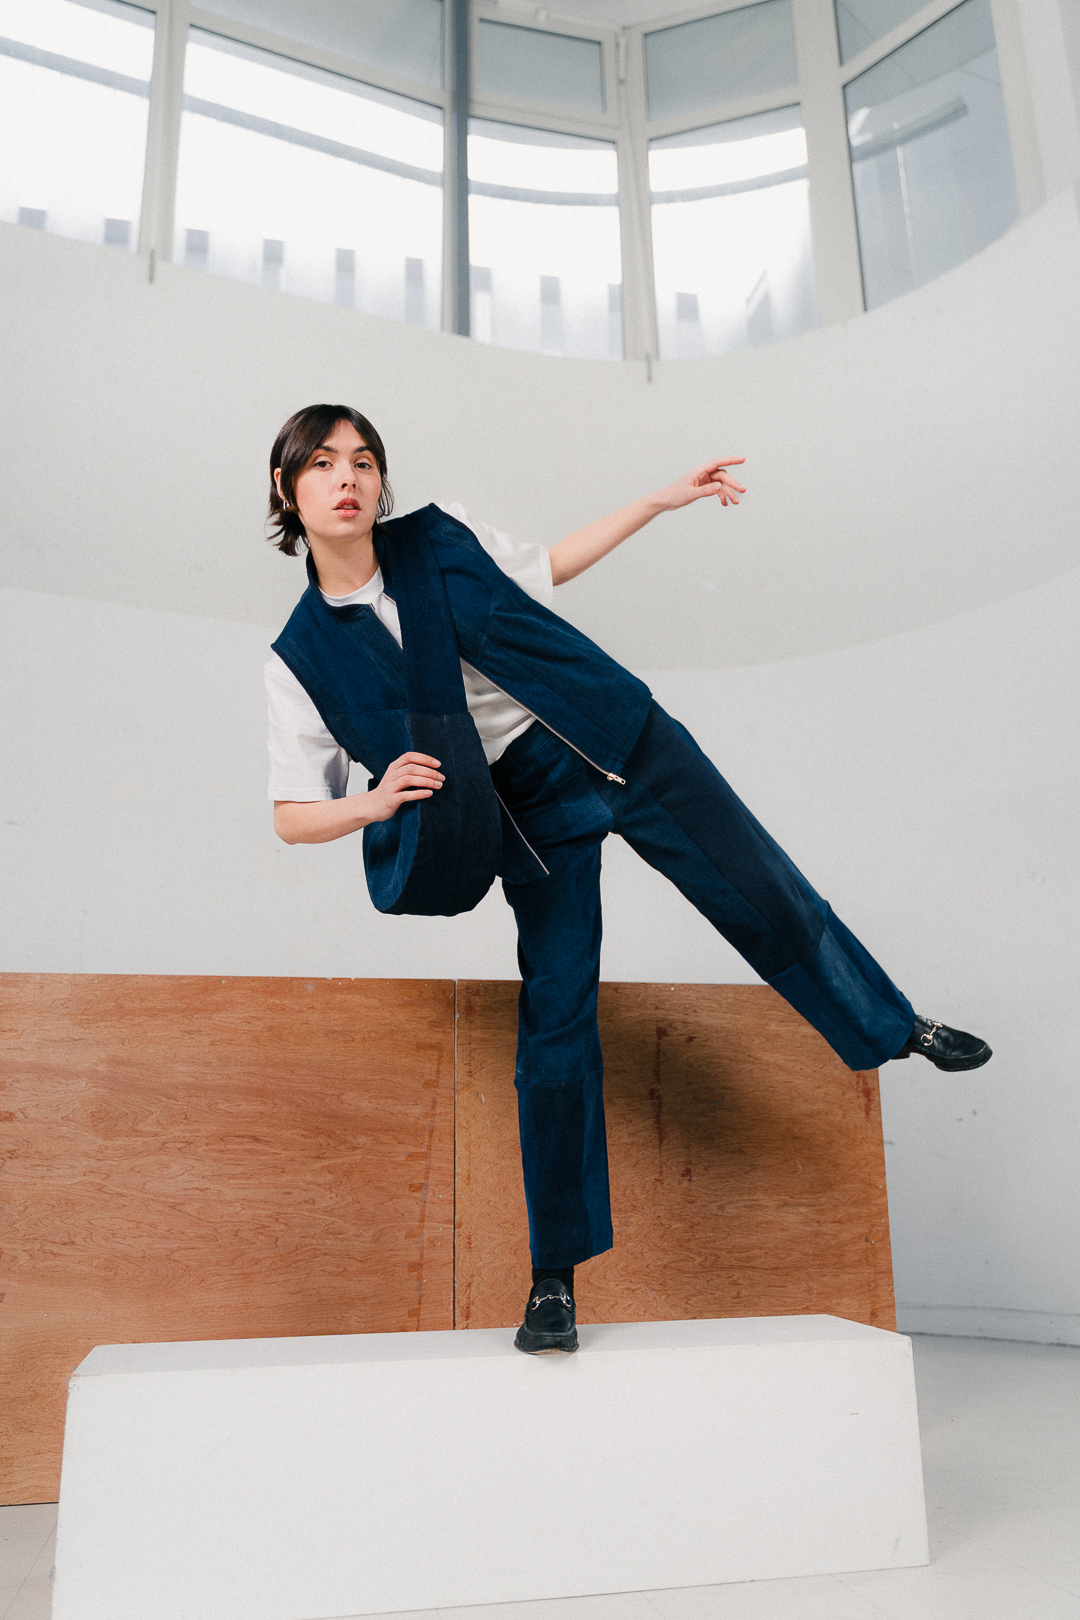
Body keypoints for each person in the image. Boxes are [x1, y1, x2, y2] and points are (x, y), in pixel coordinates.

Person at [265, 403, 992, 1356]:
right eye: (324, 464)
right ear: (288, 489)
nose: (348, 479)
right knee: (557, 1017)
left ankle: (894, 1026)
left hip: (618, 736)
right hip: (523, 811)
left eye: (363, 461)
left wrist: (657, 501)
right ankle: (554, 1278)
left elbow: (547, 567)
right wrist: (374, 801)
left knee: (764, 889)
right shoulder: (300, 655)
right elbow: (291, 815)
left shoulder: (440, 536)